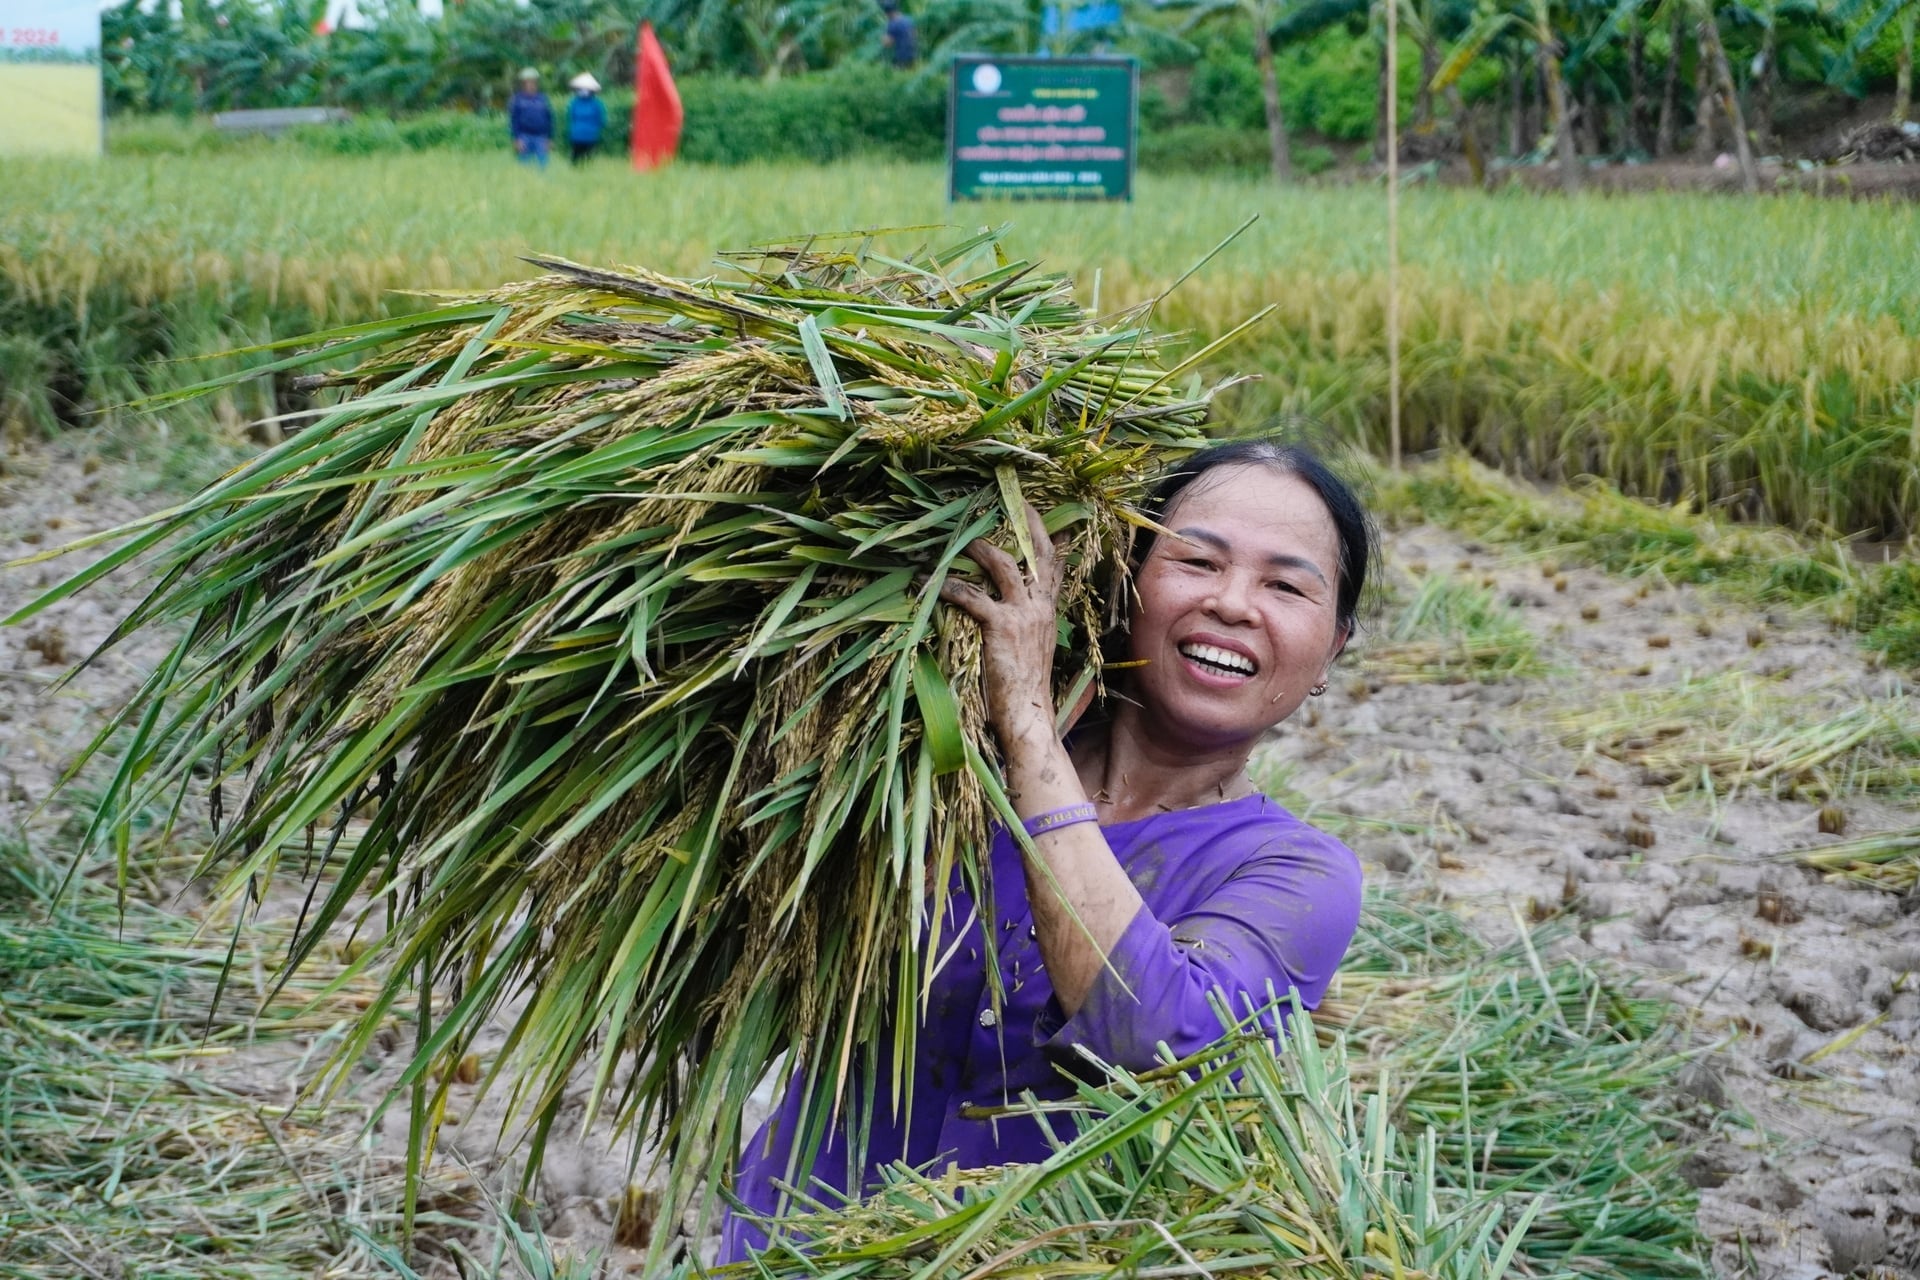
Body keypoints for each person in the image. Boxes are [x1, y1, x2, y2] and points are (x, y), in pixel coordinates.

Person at [719, 439, 1373, 1262]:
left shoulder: (1297, 874)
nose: (1234, 603)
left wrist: (1026, 719)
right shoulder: (934, 758)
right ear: (1124, 580)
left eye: (1285, 586)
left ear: (1332, 647)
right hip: (789, 1244)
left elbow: (1150, 1040)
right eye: (1197, 561)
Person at [507, 68, 553, 168]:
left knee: (542, 166)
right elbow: (513, 121)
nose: (531, 84)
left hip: (541, 137)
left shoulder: (543, 99)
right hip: (523, 137)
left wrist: (549, 139)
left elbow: (549, 119)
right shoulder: (517, 99)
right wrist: (516, 139)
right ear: (523, 83)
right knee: (524, 167)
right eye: (528, 81)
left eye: (533, 81)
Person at [565, 72, 606, 165]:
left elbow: (601, 120)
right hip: (579, 135)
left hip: (587, 135)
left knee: (585, 160)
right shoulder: (575, 102)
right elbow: (601, 121)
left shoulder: (596, 104)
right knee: (580, 159)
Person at [879, 0, 917, 68]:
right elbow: (914, 34)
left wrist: (883, 39)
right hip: (913, 55)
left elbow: (887, 44)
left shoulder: (892, 24)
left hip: (901, 57)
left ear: (888, 13)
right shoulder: (909, 20)